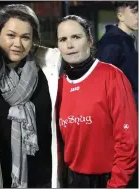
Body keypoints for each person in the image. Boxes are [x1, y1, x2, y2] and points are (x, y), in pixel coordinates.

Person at [0, 4, 62, 188]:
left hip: (42, 178)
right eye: (11, 35)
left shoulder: (49, 67)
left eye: (25, 37)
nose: (18, 44)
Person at [56, 15, 138, 188]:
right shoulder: (59, 84)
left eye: (76, 37)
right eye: (63, 39)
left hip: (109, 179)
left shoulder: (112, 76)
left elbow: (128, 140)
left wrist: (117, 183)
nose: (69, 45)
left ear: (90, 40)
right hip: (73, 180)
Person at [97, 1, 138, 109]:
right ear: (121, 16)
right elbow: (103, 82)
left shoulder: (127, 40)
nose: (138, 16)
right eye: (134, 12)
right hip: (123, 110)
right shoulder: (112, 42)